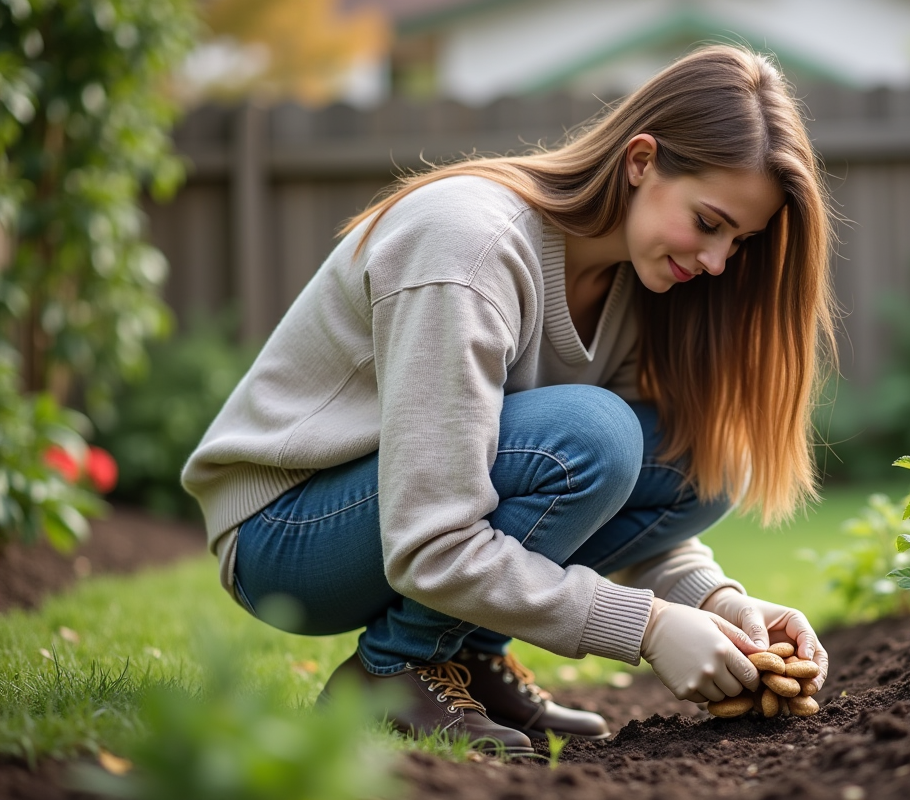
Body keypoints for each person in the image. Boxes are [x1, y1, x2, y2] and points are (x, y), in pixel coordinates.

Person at [181, 44, 835, 755]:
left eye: (738, 242)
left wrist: (718, 603)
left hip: (394, 521)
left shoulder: (638, 280)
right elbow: (432, 539)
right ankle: (398, 667)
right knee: (595, 436)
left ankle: (467, 656)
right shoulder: (467, 248)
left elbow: (626, 504)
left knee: (705, 460)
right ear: (641, 161)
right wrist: (645, 626)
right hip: (287, 532)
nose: (715, 262)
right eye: (709, 222)